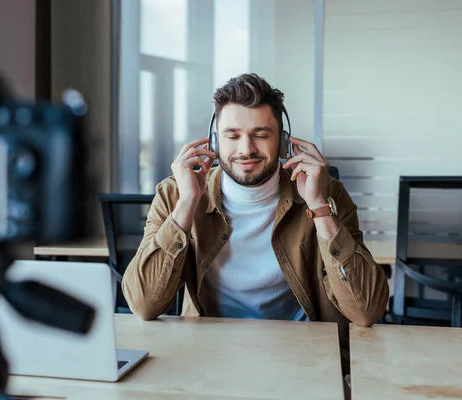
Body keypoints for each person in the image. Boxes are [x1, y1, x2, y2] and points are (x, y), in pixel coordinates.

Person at [121, 73, 389, 373]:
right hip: (209, 358)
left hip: (305, 360)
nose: (246, 149)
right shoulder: (175, 194)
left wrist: (318, 207)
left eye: (260, 134)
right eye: (232, 136)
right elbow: (144, 305)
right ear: (214, 140)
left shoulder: (327, 194)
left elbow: (366, 311)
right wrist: (185, 206)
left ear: (284, 141)